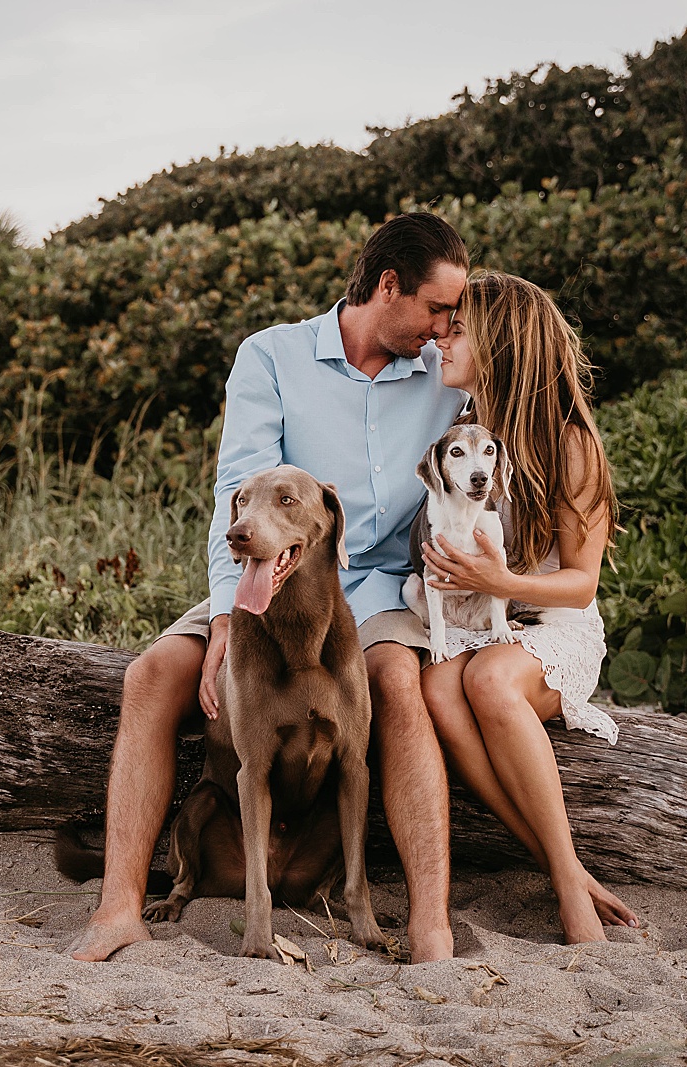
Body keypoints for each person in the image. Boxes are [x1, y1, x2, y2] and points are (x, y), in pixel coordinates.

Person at [68, 212, 472, 963]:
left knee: (397, 682)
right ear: (389, 285)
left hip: (380, 588)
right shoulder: (273, 356)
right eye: (438, 308)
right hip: (267, 575)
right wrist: (226, 617)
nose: (448, 326)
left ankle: (430, 927)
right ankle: (118, 907)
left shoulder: (446, 377)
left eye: (455, 314)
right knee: (153, 672)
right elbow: (241, 492)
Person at [416, 270, 640, 943]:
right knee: (438, 686)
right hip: (493, 616)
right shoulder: (465, 433)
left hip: (557, 625)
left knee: (486, 679)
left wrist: (499, 578)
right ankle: (562, 864)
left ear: (502, 343)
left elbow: (580, 584)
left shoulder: (570, 442)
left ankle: (567, 883)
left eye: (458, 328)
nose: (441, 339)